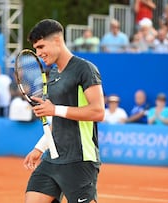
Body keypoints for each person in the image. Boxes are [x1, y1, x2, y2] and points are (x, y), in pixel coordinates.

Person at [23, 19, 105, 203]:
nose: (39, 53)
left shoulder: (85, 69)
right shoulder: (52, 74)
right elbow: (58, 120)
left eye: (41, 46)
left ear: (57, 40)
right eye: (36, 48)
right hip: (52, 158)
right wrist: (39, 148)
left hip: (80, 160)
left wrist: (54, 109)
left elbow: (98, 112)